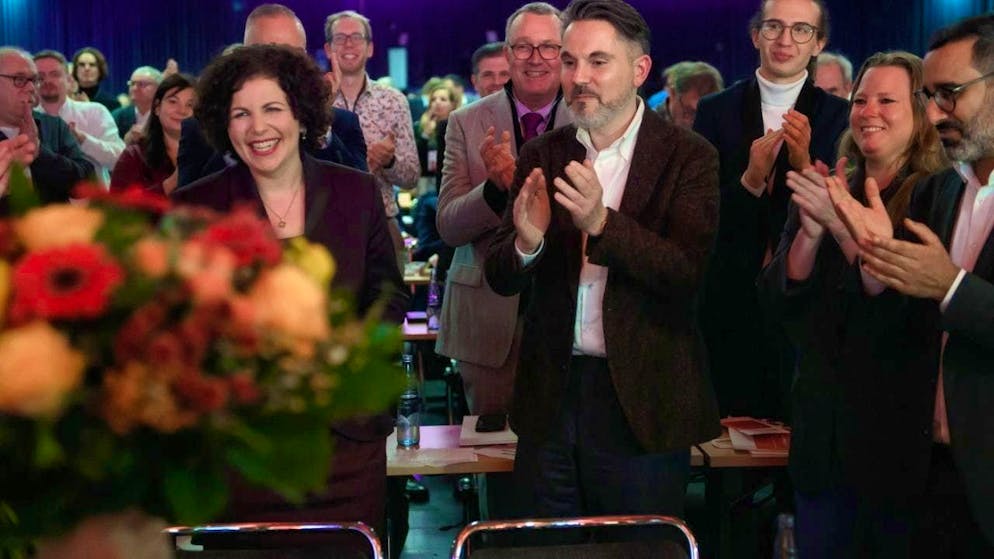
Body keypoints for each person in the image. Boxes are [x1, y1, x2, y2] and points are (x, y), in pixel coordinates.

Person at [486, 0, 720, 519]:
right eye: (570, 62)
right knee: (547, 548)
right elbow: (499, 276)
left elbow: (687, 272)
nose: (578, 78)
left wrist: (601, 223)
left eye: (598, 62)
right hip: (550, 398)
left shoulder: (689, 156)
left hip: (642, 401)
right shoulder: (543, 152)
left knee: (637, 548)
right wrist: (527, 244)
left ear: (640, 69)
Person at [171, 45, 407, 541]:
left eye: (272, 108)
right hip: (244, 449)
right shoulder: (196, 208)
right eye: (241, 114)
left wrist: (344, 353)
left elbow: (388, 295)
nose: (258, 127)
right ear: (224, 126)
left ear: (301, 115)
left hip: (346, 444)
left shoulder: (356, 191)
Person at [760, 51, 947, 558]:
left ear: (921, 111)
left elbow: (904, 320)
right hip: (820, 444)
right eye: (861, 100)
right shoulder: (832, 182)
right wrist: (809, 233)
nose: (869, 112)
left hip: (893, 451)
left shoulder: (938, 196)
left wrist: (842, 230)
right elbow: (775, 304)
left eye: (887, 100)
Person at [827, 14, 994, 557]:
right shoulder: (940, 189)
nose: (935, 112)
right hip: (925, 477)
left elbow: (947, 294)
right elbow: (899, 327)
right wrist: (877, 260)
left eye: (950, 94)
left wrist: (952, 287)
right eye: (929, 96)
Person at [693, 0, 849, 420]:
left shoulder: (840, 116)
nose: (785, 40)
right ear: (755, 35)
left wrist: (802, 166)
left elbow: (840, 213)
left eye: (801, 30)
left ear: (819, 43)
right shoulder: (715, 110)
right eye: (774, 26)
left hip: (806, 300)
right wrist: (750, 181)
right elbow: (699, 210)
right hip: (730, 295)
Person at [437, 1, 572, 419]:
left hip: (570, 314)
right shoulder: (466, 121)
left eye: (548, 47)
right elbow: (448, 226)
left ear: (565, 53)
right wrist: (495, 191)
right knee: (492, 453)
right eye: (524, 47)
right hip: (487, 320)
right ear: (508, 54)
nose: (536, 58)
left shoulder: (593, 117)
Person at [177, 3, 368, 188]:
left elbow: (361, 194)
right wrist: (232, 134)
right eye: (268, 54)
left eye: (292, 55)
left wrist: (319, 123)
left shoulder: (342, 124)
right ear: (242, 58)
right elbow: (192, 202)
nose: (281, 66)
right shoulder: (198, 129)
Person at [325, 9, 420, 266]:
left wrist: (389, 162)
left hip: (382, 224)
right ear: (328, 49)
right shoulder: (312, 98)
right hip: (324, 225)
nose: (348, 44)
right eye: (340, 37)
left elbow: (411, 178)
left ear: (370, 48)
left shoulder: (394, 101)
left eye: (356, 37)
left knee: (390, 293)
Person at [0, 47, 94, 208]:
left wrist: (39, 152)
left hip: (56, 222)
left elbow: (86, 183)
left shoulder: (54, 125)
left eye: (34, 80)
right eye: (19, 79)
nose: (31, 88)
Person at [35, 50, 124, 189]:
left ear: (69, 79)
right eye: (40, 76)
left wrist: (84, 140)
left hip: (93, 200)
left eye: (55, 74)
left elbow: (120, 161)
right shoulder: (25, 118)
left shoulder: (95, 112)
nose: (47, 81)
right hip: (41, 202)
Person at [110, 73, 195, 195]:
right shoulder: (134, 156)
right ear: (157, 108)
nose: (182, 110)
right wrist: (169, 184)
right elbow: (117, 204)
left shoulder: (211, 155)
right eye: (173, 102)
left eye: (190, 105)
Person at [654, 61, 724, 128]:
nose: (694, 121)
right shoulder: (650, 124)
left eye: (704, 114)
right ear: (672, 92)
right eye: (688, 111)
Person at [415, 81, 459, 184]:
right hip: (424, 182)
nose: (437, 102)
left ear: (453, 104)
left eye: (443, 99)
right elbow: (415, 159)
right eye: (433, 99)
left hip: (450, 180)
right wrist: (426, 134)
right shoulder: (419, 127)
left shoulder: (458, 128)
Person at [112, 66, 163, 143]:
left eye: (142, 84)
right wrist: (125, 142)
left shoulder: (166, 116)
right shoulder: (118, 116)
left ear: (158, 88)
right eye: (132, 84)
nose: (135, 88)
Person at [71, 47, 120, 112]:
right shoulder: (67, 100)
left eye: (92, 65)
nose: (87, 68)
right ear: (75, 69)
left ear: (100, 70)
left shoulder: (112, 103)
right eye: (82, 65)